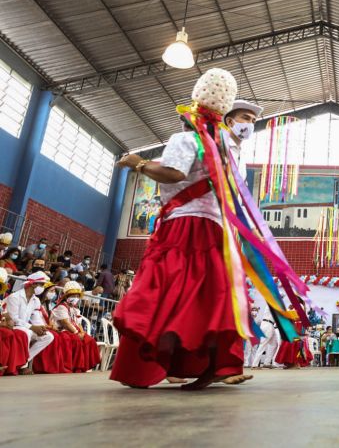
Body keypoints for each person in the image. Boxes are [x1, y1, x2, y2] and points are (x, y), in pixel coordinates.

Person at [110, 68, 308, 390]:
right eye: (244, 117)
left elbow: (173, 174)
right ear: (225, 117)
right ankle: (205, 363)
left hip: (185, 228)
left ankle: (166, 361)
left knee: (168, 292)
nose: (248, 125)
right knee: (209, 297)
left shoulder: (186, 139)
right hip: (217, 232)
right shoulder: (226, 152)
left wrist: (138, 164)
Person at [3, 271, 55, 374]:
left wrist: (41, 327)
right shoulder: (15, 297)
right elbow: (14, 318)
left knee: (48, 336)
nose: (43, 288)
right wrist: (32, 327)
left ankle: (23, 360)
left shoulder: (36, 300)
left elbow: (36, 317)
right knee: (27, 333)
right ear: (33, 284)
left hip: (26, 326)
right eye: (41, 285)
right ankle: (23, 367)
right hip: (14, 326)